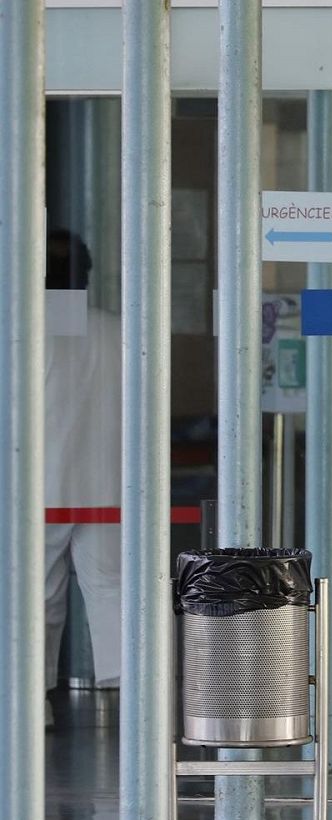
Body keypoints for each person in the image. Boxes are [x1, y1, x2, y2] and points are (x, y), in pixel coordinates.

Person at [43, 229, 124, 726]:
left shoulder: (24, 334)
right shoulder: (119, 330)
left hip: (43, 487)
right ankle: (132, 696)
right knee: (113, 588)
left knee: (36, 595)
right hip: (111, 488)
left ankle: (34, 698)